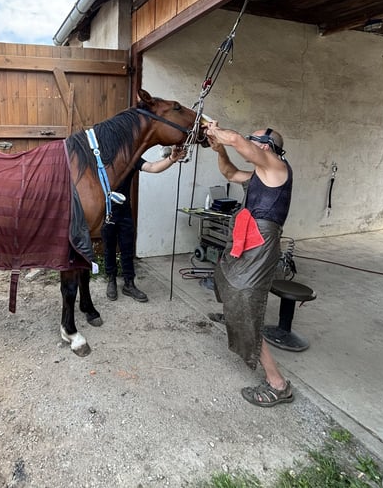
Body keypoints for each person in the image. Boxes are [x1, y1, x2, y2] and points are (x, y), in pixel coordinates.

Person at [204, 120, 294, 407]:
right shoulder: (260, 173)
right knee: (224, 276)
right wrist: (219, 150)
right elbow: (230, 172)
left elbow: (235, 140)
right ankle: (234, 314)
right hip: (248, 235)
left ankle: (277, 384)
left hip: (262, 241)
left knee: (245, 301)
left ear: (266, 147)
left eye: (251, 139)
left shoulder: (275, 166)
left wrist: (218, 132)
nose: (245, 141)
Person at [103, 145, 186, 302]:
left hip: (125, 211)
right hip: (107, 211)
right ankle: (111, 280)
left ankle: (129, 283)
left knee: (127, 248)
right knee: (109, 247)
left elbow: (153, 167)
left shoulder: (131, 158)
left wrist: (171, 159)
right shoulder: (102, 159)